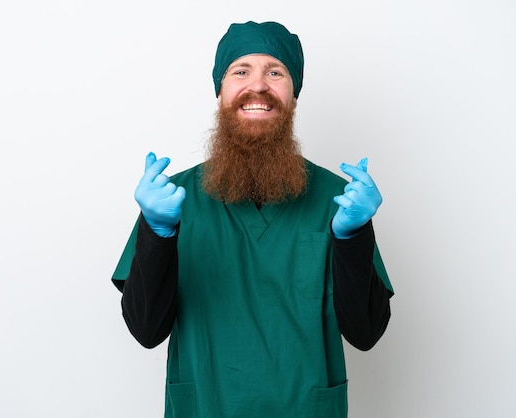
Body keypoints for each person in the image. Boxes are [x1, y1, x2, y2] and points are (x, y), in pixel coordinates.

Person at [112, 20, 394, 418]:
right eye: (240, 71)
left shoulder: (340, 201)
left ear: (293, 94)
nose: (258, 86)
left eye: (275, 72)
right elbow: (146, 330)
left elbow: (365, 334)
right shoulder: (171, 198)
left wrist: (354, 238)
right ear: (220, 92)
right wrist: (157, 234)